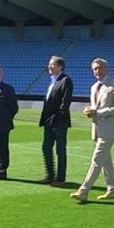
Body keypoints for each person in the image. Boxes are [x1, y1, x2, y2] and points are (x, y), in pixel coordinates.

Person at [70, 58, 114, 203]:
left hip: (109, 129)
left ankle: (84, 190)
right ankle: (113, 189)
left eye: (99, 68)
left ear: (106, 69)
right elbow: (95, 106)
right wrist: (89, 110)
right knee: (106, 161)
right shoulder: (94, 87)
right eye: (94, 69)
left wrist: (98, 113)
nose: (97, 71)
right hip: (96, 129)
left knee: (97, 160)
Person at [39, 56, 73, 187]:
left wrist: (58, 117)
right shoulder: (52, 81)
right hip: (49, 122)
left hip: (59, 122)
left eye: (52, 65)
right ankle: (50, 175)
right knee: (46, 147)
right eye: (49, 64)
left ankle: (60, 178)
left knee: (60, 150)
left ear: (60, 66)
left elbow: (65, 102)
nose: (49, 67)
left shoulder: (65, 80)